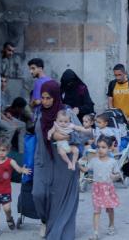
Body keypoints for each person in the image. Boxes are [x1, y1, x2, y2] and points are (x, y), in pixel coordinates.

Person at [32, 80, 81, 239]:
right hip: (42, 159)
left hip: (62, 162)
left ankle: (57, 228)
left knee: (59, 199)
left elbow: (81, 136)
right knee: (38, 194)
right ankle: (44, 220)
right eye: (42, 97)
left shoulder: (66, 113)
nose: (44, 101)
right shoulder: (39, 112)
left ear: (55, 96)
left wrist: (63, 134)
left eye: (48, 98)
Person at [0, 137, 31, 237]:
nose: (1, 153)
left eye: (3, 150)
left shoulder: (10, 161)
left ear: (7, 150)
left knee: (7, 209)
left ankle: (9, 218)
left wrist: (22, 170)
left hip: (5, 190)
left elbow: (18, 169)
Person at [80, 135, 120, 240]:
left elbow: (118, 174)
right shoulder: (94, 160)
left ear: (109, 148)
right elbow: (86, 170)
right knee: (96, 211)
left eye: (103, 147)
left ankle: (111, 225)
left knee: (110, 209)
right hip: (97, 189)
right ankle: (96, 233)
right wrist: (77, 164)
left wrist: (114, 176)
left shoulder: (113, 162)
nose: (100, 150)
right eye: (99, 147)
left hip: (108, 188)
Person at [107, 63, 129, 183]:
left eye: (119, 75)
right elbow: (110, 100)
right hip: (118, 120)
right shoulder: (112, 84)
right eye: (115, 75)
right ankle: (119, 170)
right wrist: (112, 113)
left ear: (124, 73)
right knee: (118, 146)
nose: (117, 77)